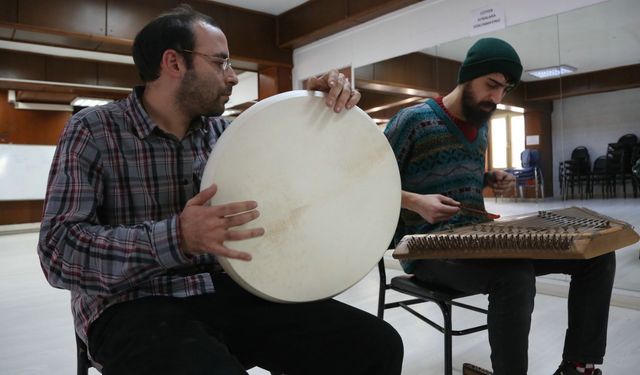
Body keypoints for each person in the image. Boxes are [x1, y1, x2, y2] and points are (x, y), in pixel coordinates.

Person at [37, 5, 403, 375]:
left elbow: (302, 181)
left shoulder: (227, 134)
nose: (231, 77)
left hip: (229, 291)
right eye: (222, 62)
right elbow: (57, 251)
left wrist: (313, 113)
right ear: (174, 63)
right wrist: (176, 237)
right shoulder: (94, 130)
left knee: (375, 346)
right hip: (130, 304)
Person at [384, 37, 615, 375]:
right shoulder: (412, 120)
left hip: (478, 240)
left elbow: (459, 181)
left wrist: (489, 179)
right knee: (514, 276)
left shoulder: (480, 130)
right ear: (467, 76)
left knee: (596, 255)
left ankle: (577, 366)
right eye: (491, 85)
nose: (497, 97)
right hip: (427, 249)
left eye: (504, 89)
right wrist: (415, 202)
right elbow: (368, 187)